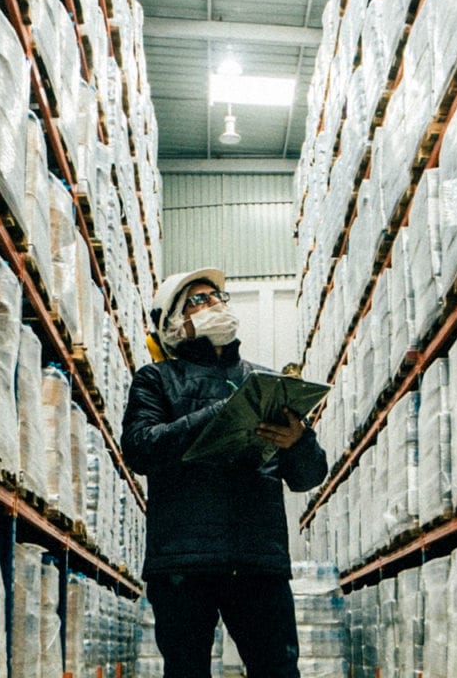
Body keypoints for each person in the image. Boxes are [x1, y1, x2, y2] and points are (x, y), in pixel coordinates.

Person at [122, 267, 328, 678]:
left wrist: (298, 442)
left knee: (278, 670)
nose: (215, 303)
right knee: (186, 671)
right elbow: (140, 448)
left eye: (218, 296)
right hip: (185, 560)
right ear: (174, 323)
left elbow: (309, 476)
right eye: (199, 299)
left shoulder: (264, 382)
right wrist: (221, 413)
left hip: (257, 558)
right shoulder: (156, 380)